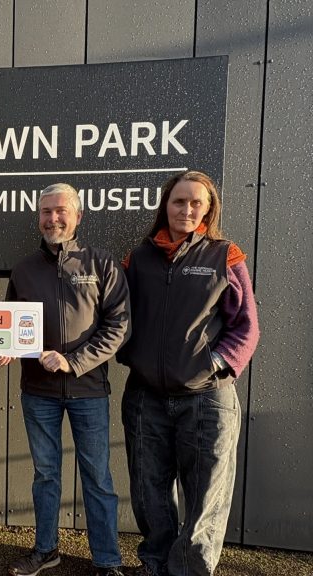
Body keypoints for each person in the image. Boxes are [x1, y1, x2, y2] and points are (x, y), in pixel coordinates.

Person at [118, 170, 260, 576]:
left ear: (209, 208)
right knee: (149, 492)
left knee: (206, 495)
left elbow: (246, 327)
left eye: (196, 202)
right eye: (179, 201)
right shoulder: (139, 257)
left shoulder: (224, 255)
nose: (187, 209)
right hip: (146, 396)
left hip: (207, 395)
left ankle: (190, 570)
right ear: (165, 205)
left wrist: (213, 364)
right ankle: (155, 564)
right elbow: (118, 315)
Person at [0, 183, 130, 576]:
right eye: (46, 212)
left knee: (98, 477)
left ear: (78, 216)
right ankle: (45, 549)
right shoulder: (23, 270)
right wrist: (6, 344)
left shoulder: (102, 265)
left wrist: (73, 361)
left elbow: (119, 326)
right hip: (38, 392)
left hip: (89, 391)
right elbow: (11, 324)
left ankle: (107, 560)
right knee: (46, 474)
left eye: (60, 211)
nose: (52, 219)